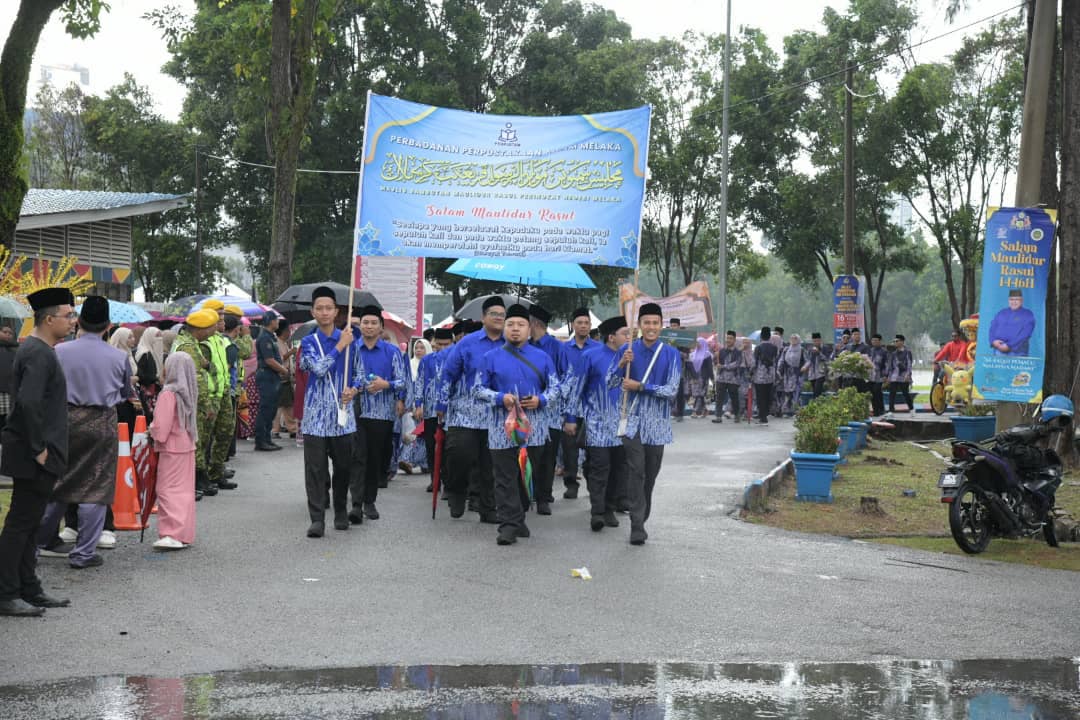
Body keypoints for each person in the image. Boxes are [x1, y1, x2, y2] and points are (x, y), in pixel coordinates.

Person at [37, 296, 132, 569]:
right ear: (109, 325)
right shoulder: (118, 356)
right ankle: (84, 553)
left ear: (78, 321)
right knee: (96, 486)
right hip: (101, 422)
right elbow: (125, 392)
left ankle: (41, 540)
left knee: (58, 481)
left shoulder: (59, 351)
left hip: (64, 420)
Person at [0, 288, 75, 616]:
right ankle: (7, 593)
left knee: (29, 524)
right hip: (34, 454)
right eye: (68, 315)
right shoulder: (37, 352)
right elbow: (28, 403)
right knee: (20, 524)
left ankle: (28, 587)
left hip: (39, 451)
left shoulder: (40, 349)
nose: (73, 321)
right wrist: (39, 450)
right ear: (48, 319)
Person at [475, 304, 561, 546]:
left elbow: (557, 389)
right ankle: (508, 525)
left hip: (533, 431)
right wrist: (499, 398)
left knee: (525, 477)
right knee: (504, 477)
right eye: (510, 324)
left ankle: (519, 514)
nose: (515, 329)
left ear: (529, 329)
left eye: (520, 325)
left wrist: (540, 400)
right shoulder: (489, 358)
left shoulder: (543, 358)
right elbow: (477, 389)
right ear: (504, 327)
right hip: (501, 429)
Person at [610, 303, 681, 545]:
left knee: (649, 476)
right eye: (646, 322)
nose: (650, 327)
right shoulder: (627, 350)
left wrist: (640, 386)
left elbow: (671, 390)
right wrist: (621, 365)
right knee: (636, 471)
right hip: (631, 422)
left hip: (658, 425)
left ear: (661, 326)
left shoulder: (671, 354)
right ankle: (636, 525)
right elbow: (609, 382)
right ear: (639, 325)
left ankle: (642, 515)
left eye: (655, 323)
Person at [437, 297, 504, 523]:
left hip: (495, 415)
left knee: (490, 463)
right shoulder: (467, 343)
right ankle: (456, 490)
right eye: (493, 314)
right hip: (464, 412)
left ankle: (488, 507)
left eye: (502, 315)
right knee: (459, 454)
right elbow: (449, 373)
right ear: (484, 317)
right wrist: (441, 403)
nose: (498, 318)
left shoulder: (511, 344)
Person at [298, 287, 356, 536]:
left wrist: (353, 390)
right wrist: (339, 346)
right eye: (319, 308)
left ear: (336, 312)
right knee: (315, 469)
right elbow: (318, 369)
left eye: (328, 308)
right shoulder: (309, 342)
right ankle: (317, 518)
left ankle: (341, 510)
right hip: (314, 418)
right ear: (313, 312)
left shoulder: (351, 341)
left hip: (342, 416)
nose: (324, 312)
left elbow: (361, 376)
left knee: (343, 467)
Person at [351, 305, 409, 521]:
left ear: (381, 327)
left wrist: (386, 384)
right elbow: (346, 378)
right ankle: (356, 504)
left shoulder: (392, 352)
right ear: (360, 325)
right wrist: (358, 385)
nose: (369, 326)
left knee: (375, 459)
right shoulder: (351, 349)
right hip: (355, 412)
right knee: (357, 458)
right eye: (365, 322)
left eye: (373, 323)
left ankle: (369, 501)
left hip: (382, 414)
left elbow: (403, 382)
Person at [578, 315, 629, 531]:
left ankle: (610, 507)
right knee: (600, 468)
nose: (630, 337)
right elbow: (578, 388)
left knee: (619, 469)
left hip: (623, 424)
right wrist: (572, 418)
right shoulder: (591, 356)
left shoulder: (632, 357)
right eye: (625, 334)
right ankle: (597, 512)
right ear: (611, 337)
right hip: (597, 423)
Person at [150, 352, 199, 550]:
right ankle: (184, 533)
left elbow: (161, 428)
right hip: (186, 445)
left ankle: (172, 533)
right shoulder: (188, 392)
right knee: (184, 490)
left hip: (171, 448)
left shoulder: (168, 393)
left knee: (167, 490)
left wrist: (151, 431)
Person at [171, 308, 220, 499]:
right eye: (211, 327)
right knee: (195, 442)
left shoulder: (191, 343)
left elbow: (203, 366)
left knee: (197, 442)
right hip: (192, 402)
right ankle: (194, 482)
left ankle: (199, 479)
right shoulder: (189, 347)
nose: (214, 331)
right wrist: (206, 404)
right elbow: (197, 379)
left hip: (190, 400)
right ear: (201, 329)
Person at [527, 304, 569, 515]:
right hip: (527, 412)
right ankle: (528, 494)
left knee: (548, 456)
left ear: (534, 323)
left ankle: (543, 496)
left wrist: (547, 394)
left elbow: (566, 379)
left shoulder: (556, 347)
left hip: (551, 413)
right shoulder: (522, 346)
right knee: (529, 454)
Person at [560, 307, 599, 499]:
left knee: (593, 446)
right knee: (569, 446)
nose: (583, 326)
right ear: (573, 325)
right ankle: (571, 483)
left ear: (590, 326)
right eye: (579, 323)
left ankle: (593, 485)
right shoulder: (564, 349)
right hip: (570, 405)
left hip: (592, 405)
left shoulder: (598, 348)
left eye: (586, 323)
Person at [415, 329, 452, 490]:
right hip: (430, 410)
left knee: (449, 447)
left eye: (447, 344)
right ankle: (434, 479)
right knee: (431, 445)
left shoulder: (455, 359)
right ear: (434, 343)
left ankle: (448, 480)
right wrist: (418, 404)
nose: (443, 348)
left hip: (450, 411)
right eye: (440, 344)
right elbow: (419, 382)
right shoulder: (427, 360)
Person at [254, 312, 289, 452]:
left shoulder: (270, 337)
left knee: (272, 409)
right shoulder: (264, 338)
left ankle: (267, 439)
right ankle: (261, 441)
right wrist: (284, 370)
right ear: (270, 321)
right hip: (267, 376)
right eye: (276, 320)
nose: (278, 323)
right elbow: (269, 360)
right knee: (266, 409)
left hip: (272, 376)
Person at [989, 289, 1036, 356]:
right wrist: (993, 341)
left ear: (1022, 301)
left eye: (1017, 299)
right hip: (998, 351)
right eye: (1011, 299)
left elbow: (1026, 334)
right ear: (1008, 300)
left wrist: (1009, 345)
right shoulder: (1001, 312)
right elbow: (992, 327)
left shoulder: (1027, 314)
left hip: (1018, 352)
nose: (1014, 302)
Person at [273, 322, 298, 439]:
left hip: (286, 377)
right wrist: (291, 352)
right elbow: (279, 359)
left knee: (286, 405)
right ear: (283, 331)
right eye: (288, 330)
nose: (289, 333)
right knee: (284, 405)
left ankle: (289, 428)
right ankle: (278, 429)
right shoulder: (277, 343)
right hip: (281, 378)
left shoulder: (284, 343)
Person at [135, 326, 164, 424]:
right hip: (146, 393)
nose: (159, 340)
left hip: (153, 391)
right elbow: (142, 376)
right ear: (149, 337)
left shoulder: (151, 352)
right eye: (156, 337)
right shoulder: (144, 353)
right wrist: (156, 379)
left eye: (160, 337)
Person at [713, 330, 743, 424]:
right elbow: (716, 363)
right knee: (719, 397)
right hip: (721, 378)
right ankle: (718, 416)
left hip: (733, 379)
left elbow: (736, 364)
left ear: (734, 340)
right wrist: (715, 357)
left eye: (730, 338)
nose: (728, 340)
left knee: (734, 398)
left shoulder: (738, 352)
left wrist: (724, 366)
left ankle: (737, 415)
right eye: (727, 338)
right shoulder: (721, 351)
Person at [751, 327, 778, 425]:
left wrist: (750, 372)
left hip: (760, 376)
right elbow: (776, 361)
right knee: (767, 396)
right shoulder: (774, 348)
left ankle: (763, 418)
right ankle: (765, 415)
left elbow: (754, 363)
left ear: (761, 336)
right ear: (770, 337)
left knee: (760, 396)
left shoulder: (758, 348)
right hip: (770, 376)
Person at [776, 334, 806, 417]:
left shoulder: (802, 350)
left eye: (795, 339)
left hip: (797, 374)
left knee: (796, 392)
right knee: (787, 392)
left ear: (798, 340)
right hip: (787, 374)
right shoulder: (786, 349)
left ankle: (796, 410)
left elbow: (807, 361)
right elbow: (781, 360)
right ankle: (787, 410)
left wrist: (804, 367)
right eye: (792, 338)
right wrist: (778, 369)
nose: (793, 340)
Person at [686, 337, 713, 418]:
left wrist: (712, 377)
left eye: (698, 342)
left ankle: (694, 411)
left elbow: (709, 367)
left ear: (703, 344)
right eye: (696, 343)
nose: (697, 344)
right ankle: (704, 410)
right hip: (694, 377)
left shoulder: (707, 354)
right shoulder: (692, 354)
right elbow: (690, 366)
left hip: (703, 377)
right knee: (696, 394)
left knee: (699, 394)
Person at [888, 334, 915, 414]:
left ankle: (911, 409)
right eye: (894, 341)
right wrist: (889, 377)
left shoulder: (907, 352)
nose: (895, 343)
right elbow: (891, 366)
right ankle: (891, 411)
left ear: (902, 342)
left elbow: (909, 364)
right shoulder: (893, 353)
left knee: (905, 393)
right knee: (892, 393)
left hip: (904, 376)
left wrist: (908, 374)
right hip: (894, 376)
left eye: (897, 341)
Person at [0, 325, 18, 432]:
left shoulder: (16, 350)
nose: (7, 334)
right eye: (5, 332)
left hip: (9, 395)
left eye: (10, 333)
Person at [803, 332, 831, 399]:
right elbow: (808, 360)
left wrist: (819, 353)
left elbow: (827, 359)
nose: (816, 342)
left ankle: (816, 405)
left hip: (821, 373)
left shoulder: (825, 348)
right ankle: (820, 404)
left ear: (820, 340)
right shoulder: (810, 349)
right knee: (815, 391)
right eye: (814, 341)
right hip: (812, 373)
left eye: (817, 341)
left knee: (817, 391)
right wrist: (805, 366)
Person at [867, 333, 888, 416]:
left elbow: (886, 364)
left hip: (879, 376)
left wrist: (885, 376)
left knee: (877, 392)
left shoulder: (884, 352)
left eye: (876, 340)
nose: (874, 342)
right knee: (872, 393)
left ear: (880, 341)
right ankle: (876, 411)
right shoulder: (870, 351)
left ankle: (881, 409)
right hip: (870, 376)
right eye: (873, 340)